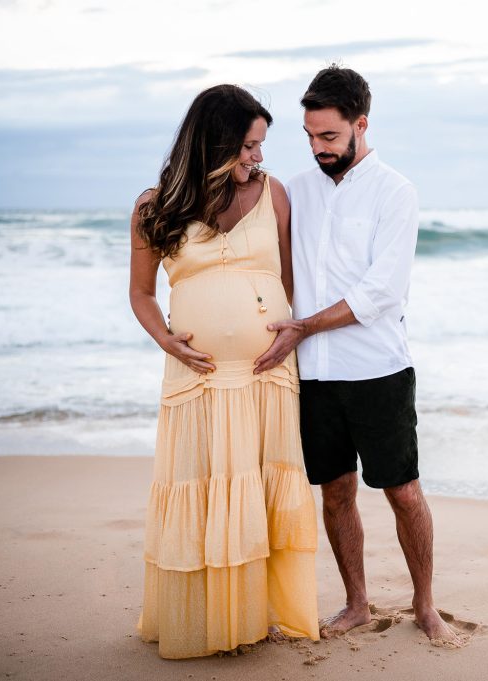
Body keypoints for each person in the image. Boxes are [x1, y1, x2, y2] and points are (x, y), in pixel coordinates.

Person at [253, 66, 459, 643]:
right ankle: (358, 603)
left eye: (329, 137)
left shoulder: (396, 191)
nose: (318, 148)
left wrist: (304, 327)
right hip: (315, 377)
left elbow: (381, 292)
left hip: (378, 369)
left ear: (359, 124)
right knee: (336, 492)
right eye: (310, 136)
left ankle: (424, 604)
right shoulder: (297, 188)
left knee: (402, 490)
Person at [129, 84, 319, 659]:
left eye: (260, 146)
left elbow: (288, 281)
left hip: (266, 377)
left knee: (258, 494)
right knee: (205, 490)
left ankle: (255, 619)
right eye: (248, 146)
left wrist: (293, 331)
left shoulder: (275, 195)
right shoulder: (154, 205)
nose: (257, 157)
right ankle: (206, 621)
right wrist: (166, 339)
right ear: (214, 144)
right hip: (199, 378)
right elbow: (140, 294)